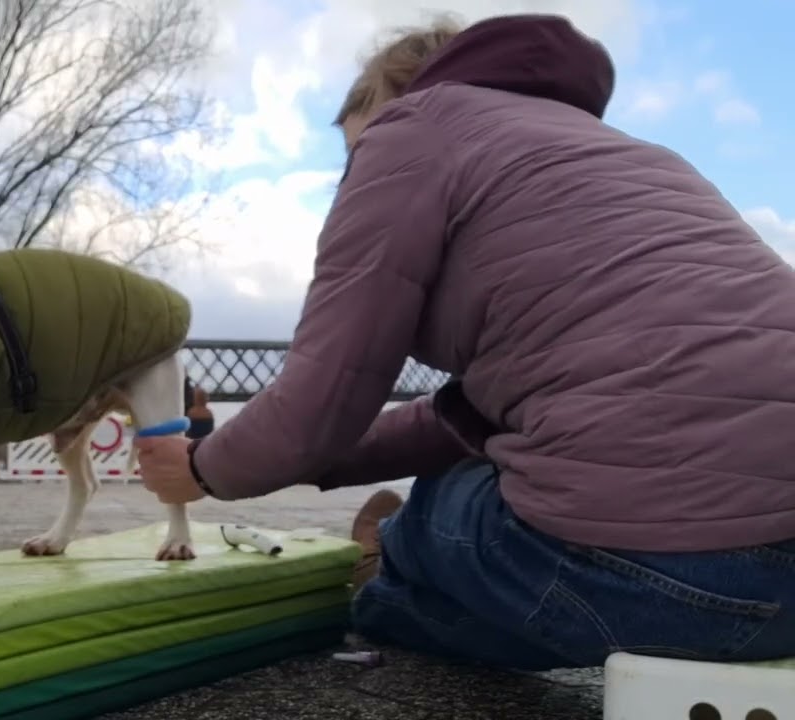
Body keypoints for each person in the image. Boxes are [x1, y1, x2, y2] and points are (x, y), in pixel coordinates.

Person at [134, 13, 795, 670]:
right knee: (535, 536)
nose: (350, 181)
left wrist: (199, 470)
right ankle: (397, 580)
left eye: (351, 156)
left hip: (651, 578)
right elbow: (464, 415)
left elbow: (325, 395)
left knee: (438, 507)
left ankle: (386, 563)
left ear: (386, 100)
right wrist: (313, 460)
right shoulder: (633, 158)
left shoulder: (413, 129)